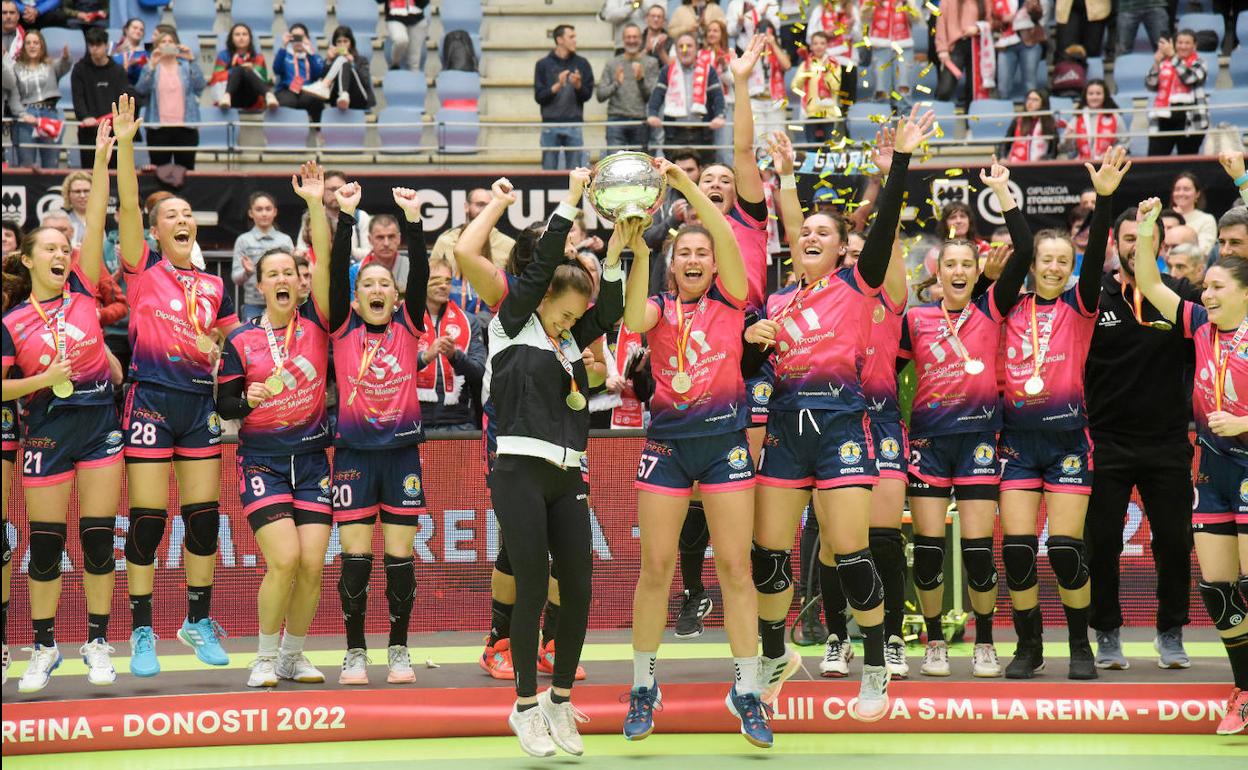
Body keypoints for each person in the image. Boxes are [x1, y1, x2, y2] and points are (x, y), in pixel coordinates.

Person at [749, 107, 934, 720]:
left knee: (852, 552)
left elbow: (875, 239)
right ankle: (775, 659)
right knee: (769, 557)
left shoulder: (860, 287)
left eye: (824, 236)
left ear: (842, 249)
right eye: (804, 236)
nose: (809, 239)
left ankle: (876, 664)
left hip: (841, 432)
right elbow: (798, 231)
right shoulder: (777, 300)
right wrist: (784, 179)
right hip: (784, 434)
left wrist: (897, 167)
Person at [621, 157, 769, 744]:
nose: (693, 260)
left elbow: (726, 234)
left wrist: (684, 186)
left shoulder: (734, 300)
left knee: (736, 568)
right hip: (667, 447)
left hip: (725, 445)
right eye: (683, 253)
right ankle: (642, 686)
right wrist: (636, 253)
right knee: (655, 569)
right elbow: (633, 316)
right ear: (671, 261)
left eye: (701, 253)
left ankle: (748, 691)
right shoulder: (658, 307)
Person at [485, 168, 623, 757]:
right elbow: (541, 266)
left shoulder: (568, 341)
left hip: (568, 471)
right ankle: (523, 708)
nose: (573, 327)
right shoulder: (509, 323)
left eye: (575, 319)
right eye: (566, 315)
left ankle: (560, 702)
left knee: (581, 588)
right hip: (517, 469)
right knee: (533, 587)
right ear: (542, 298)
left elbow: (610, 310)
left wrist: (619, 248)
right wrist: (569, 203)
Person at [112, 94, 240, 678]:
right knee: (145, 520)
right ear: (156, 234)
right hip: (151, 399)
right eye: (172, 217)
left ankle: (197, 620)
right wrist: (124, 148)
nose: (182, 220)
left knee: (205, 518)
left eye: (188, 214)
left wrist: (244, 372)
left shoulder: (214, 287)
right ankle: (141, 629)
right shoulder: (142, 272)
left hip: (198, 406)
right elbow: (131, 207)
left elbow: (242, 349)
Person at [997, 146, 1129, 681]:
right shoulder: (1007, 305)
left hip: (1070, 441)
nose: (1053, 266)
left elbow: (1096, 253)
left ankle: (1080, 645)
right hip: (1016, 446)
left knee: (1068, 550)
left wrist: (1104, 199)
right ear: (1031, 265)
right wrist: (1008, 199)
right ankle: (1030, 646)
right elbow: (1019, 244)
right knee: (1020, 552)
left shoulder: (1081, 306)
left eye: (1062, 261)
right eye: (1044, 259)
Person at [901, 156, 1034, 680]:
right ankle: (935, 643)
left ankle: (983, 642)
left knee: (979, 554)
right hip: (929, 445)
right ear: (937, 271)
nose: (957, 271)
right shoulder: (915, 319)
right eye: (949, 264)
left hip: (980, 442)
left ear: (978, 271)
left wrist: (1004, 192)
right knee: (930, 554)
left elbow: (1023, 250)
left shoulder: (990, 310)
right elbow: (881, 372)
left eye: (966, 265)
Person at [452, 179, 587, 686]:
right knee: (518, 547)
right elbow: (466, 249)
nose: (575, 256)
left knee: (559, 551)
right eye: (566, 249)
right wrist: (500, 204)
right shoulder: (511, 298)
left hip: (563, 441)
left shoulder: (569, 316)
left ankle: (551, 640)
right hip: (511, 438)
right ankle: (500, 640)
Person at [2, 123, 121, 693]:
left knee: (98, 538)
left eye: (62, 247)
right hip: (47, 433)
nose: (60, 251)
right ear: (27, 261)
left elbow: (94, 218)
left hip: (100, 426)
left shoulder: (81, 288)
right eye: (48, 247)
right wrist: (42, 380)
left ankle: (97, 641)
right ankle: (43, 646)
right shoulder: (12, 323)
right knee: (45, 546)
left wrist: (102, 155)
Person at [1128, 196, 1248, 736]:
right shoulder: (1199, 326)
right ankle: (1244, 691)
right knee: (1217, 591)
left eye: (1220, 287)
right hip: (1211, 475)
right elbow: (1150, 284)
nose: (1208, 294)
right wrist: (1149, 229)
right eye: (1208, 286)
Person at [216, 162, 334, 689]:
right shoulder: (241, 340)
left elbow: (326, 260)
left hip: (312, 461)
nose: (284, 279)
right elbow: (223, 406)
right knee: (284, 559)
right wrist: (245, 398)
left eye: (291, 272)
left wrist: (314, 204)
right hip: (261, 459)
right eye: (274, 274)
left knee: (312, 566)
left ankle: (292, 654)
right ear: (259, 286)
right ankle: (263, 657)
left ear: (300, 283)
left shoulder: (320, 329)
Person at [1084, 198, 1201, 671]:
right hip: (1105, 440)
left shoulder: (1181, 295)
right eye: (1127, 238)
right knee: (1103, 541)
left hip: (1169, 441)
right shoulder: (1092, 298)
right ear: (1114, 243)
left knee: (1174, 542)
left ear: (1160, 241)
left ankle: (1170, 632)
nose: (1136, 246)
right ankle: (1107, 632)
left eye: (1143, 237)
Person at [327, 178, 429, 686]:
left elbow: (424, 268)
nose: (375, 291)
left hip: (402, 455)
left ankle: (399, 649)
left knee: (399, 557)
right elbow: (332, 276)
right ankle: (354, 652)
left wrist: (412, 221)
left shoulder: (410, 327)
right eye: (366, 285)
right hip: (352, 455)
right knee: (355, 557)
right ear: (356, 294)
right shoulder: (342, 329)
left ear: (396, 295)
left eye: (383, 285)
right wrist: (346, 215)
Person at [418, 256, 487, 431]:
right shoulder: (403, 320)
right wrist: (425, 357)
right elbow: (393, 369)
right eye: (435, 280)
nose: (443, 285)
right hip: (413, 423)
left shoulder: (469, 321)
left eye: (448, 281)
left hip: (459, 423)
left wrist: (454, 356)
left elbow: (479, 372)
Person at [647, 31, 726, 161]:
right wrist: (652, 114)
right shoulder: (667, 70)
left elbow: (717, 96)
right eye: (681, 46)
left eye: (689, 46)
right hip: (674, 134)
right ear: (676, 50)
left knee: (704, 174)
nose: (685, 50)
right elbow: (657, 95)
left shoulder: (708, 70)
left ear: (696, 49)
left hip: (702, 134)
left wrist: (720, 116)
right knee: (673, 175)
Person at [135, 26, 205, 171]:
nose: (167, 44)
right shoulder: (151, 68)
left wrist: (192, 60)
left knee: (186, 170)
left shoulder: (186, 66)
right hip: (158, 128)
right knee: (160, 171)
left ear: (176, 45)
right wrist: (151, 65)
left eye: (171, 41)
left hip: (186, 127)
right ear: (157, 46)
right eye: (163, 41)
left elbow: (200, 86)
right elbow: (141, 90)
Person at [534, 25, 594, 170]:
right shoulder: (543, 64)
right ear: (560, 40)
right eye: (571, 37)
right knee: (548, 170)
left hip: (574, 123)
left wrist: (578, 85)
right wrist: (557, 86)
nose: (575, 40)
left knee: (575, 172)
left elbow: (587, 95)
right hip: (550, 124)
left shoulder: (582, 63)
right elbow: (539, 97)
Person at [9, 28, 71, 169]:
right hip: (26, 117)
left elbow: (65, 65)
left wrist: (66, 57)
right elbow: (13, 97)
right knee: (26, 164)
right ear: (23, 47)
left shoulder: (51, 65)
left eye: (36, 43)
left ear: (42, 46)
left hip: (50, 115)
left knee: (50, 164)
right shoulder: (16, 68)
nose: (32, 46)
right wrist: (23, 114)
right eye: (28, 43)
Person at [70, 25, 130, 168]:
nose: (95, 49)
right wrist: (85, 117)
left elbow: (122, 99)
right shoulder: (79, 69)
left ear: (106, 45)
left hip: (114, 131)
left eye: (98, 45)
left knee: (114, 174)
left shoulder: (118, 71)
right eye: (91, 45)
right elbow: (78, 98)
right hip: (88, 131)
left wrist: (113, 120)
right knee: (90, 172)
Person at [232, 193, 295, 322]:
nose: (264, 213)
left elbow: (294, 273)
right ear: (251, 213)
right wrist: (247, 272)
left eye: (268, 209)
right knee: (254, 340)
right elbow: (236, 278)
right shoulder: (243, 241)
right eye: (259, 209)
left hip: (282, 301)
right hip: (254, 303)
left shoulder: (285, 240)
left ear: (275, 212)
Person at [1145, 30, 1207, 158]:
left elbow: (1190, 78)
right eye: (1180, 42)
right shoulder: (1164, 61)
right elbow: (1150, 85)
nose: (1183, 46)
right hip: (1163, 115)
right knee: (1155, 160)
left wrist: (1174, 57)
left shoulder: (1199, 62)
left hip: (1190, 117)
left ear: (1194, 45)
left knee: (1187, 161)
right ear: (1174, 44)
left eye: (1187, 43)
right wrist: (1156, 64)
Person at [597, 23, 659, 152]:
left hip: (640, 120)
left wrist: (641, 80)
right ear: (623, 40)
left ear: (641, 39)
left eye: (635, 37)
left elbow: (653, 97)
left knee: (639, 165)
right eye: (628, 37)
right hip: (616, 120)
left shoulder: (651, 63)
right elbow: (600, 95)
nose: (632, 40)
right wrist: (616, 84)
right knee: (614, 165)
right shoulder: (612, 63)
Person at [430, 187, 516, 277]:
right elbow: (431, 279)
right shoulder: (445, 241)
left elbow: (516, 284)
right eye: (480, 204)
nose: (485, 210)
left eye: (489, 206)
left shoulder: (508, 245)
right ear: (466, 207)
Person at [295, 170, 372, 261]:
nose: (336, 193)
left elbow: (370, 253)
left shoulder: (361, 217)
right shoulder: (312, 216)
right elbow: (301, 250)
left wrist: (344, 249)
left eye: (341, 188)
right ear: (322, 190)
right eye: (332, 189)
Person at [301, 26, 375, 112]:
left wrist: (352, 64)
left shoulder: (361, 60)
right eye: (339, 42)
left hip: (359, 97)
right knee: (341, 60)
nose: (342, 45)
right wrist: (328, 61)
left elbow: (365, 81)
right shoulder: (331, 60)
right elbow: (320, 77)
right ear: (334, 45)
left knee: (343, 60)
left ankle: (341, 93)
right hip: (337, 100)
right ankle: (342, 95)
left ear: (351, 43)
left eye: (345, 41)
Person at [211, 22, 278, 111]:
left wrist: (251, 70)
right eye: (237, 34)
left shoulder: (258, 57)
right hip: (231, 98)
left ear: (250, 38)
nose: (241, 37)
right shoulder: (223, 56)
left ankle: (268, 95)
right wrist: (234, 69)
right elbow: (216, 79)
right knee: (240, 70)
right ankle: (227, 95)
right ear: (231, 38)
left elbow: (263, 80)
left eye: (244, 34)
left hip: (251, 97)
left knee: (246, 70)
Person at [867, 0, 919, 106]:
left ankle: (904, 119)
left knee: (903, 89)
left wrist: (907, 4)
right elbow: (863, 19)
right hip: (880, 45)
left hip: (904, 46)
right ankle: (881, 119)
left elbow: (917, 19)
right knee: (881, 90)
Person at [743, 20, 789, 140]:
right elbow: (744, 70)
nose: (766, 39)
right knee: (758, 140)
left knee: (777, 139)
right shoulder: (750, 52)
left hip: (776, 100)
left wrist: (773, 45)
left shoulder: (780, 51)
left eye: (769, 35)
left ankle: (776, 160)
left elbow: (787, 65)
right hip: (756, 100)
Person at [272, 24, 326, 124]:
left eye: (301, 37)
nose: (298, 41)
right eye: (294, 37)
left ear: (307, 38)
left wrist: (310, 52)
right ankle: (286, 134)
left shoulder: (313, 56)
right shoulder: (284, 54)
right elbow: (276, 69)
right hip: (287, 90)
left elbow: (319, 73)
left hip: (308, 91)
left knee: (315, 100)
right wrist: (283, 45)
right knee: (288, 101)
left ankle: (319, 131)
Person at [992, 0, 1044, 101]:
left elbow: (1040, 15)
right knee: (1003, 88)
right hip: (1006, 43)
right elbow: (991, 20)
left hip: (1029, 40)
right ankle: (1004, 115)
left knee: (1030, 86)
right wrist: (1002, 20)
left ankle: (1030, 116)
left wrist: (1032, 7)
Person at [934, 0, 981, 110]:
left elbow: (991, 20)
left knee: (973, 89)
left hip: (977, 45)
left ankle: (970, 125)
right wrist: (942, 49)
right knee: (945, 89)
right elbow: (941, 23)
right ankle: (938, 123)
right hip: (955, 45)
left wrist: (978, 28)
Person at [348, 216, 411, 295]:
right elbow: (352, 306)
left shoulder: (413, 268)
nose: (386, 243)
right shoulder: (355, 271)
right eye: (380, 237)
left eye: (391, 237)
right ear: (370, 240)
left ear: (399, 238)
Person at [1064, 79, 1122, 162]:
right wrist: (1068, 140)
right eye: (1091, 94)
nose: (1094, 97)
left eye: (1098, 94)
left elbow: (1124, 144)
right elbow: (1066, 149)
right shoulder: (1077, 118)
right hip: (1082, 164)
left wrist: (1110, 155)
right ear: (1085, 96)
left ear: (1105, 95)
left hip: (1108, 164)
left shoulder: (1115, 117)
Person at [1001, 88, 1059, 162]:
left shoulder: (1050, 123)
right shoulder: (1018, 120)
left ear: (1043, 103)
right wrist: (1003, 157)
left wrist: (1046, 159)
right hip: (1016, 165)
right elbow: (1005, 143)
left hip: (1039, 168)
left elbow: (1053, 151)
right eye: (1028, 99)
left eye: (1035, 100)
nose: (1030, 102)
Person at [1169, 171, 1217, 257]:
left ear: (1197, 194)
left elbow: (1204, 251)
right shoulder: (1166, 218)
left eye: (1186, 189)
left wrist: (1181, 223)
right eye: (1177, 189)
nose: (1181, 193)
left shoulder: (1207, 219)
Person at [380, 0, 430, 73]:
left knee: (414, 64)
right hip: (394, 17)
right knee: (401, 40)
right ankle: (395, 63)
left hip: (417, 19)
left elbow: (423, 3)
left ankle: (414, 80)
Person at [600, 0, 667, 49]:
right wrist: (634, 6)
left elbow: (662, 14)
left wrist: (642, 3)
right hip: (623, 46)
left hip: (647, 46)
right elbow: (609, 15)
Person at [111, 17, 148, 89]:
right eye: (135, 28)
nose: (138, 31)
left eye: (141, 30)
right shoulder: (112, 47)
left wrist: (133, 65)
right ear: (126, 30)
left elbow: (141, 78)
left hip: (132, 90)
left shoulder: (144, 54)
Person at [59, 171, 90, 246]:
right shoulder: (61, 220)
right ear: (68, 194)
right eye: (77, 191)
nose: (82, 195)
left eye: (86, 191)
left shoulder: (107, 221)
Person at [642, 3, 673, 67]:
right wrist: (646, 50)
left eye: (659, 17)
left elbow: (673, 68)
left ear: (664, 21)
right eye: (653, 16)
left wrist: (661, 51)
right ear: (647, 18)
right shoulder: (637, 38)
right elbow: (631, 65)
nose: (656, 19)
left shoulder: (671, 41)